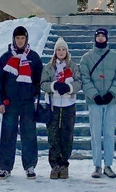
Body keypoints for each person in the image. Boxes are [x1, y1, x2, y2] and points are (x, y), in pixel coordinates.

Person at [0, 25, 44, 179]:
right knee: (8, 134)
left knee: (29, 134)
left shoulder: (33, 57)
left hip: (27, 103)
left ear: (26, 39)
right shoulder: (5, 58)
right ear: (13, 39)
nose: (20, 41)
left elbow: (38, 79)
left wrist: (32, 94)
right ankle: (5, 167)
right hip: (9, 103)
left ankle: (30, 166)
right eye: (17, 38)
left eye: (23, 38)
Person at [79, 27, 116, 179]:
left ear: (106, 38)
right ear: (94, 38)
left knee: (109, 133)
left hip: (111, 101)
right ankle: (97, 165)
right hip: (94, 101)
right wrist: (94, 95)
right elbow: (84, 78)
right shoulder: (86, 57)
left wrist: (112, 93)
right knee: (96, 133)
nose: (100, 38)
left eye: (102, 35)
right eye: (98, 35)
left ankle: (109, 165)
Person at [40, 37, 81, 179]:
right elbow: (42, 84)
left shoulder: (73, 66)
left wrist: (69, 87)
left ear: (67, 51)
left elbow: (79, 82)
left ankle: (64, 164)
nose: (61, 52)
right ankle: (54, 165)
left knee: (67, 135)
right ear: (55, 51)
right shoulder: (49, 67)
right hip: (53, 105)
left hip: (68, 105)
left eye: (63, 49)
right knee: (53, 136)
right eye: (58, 49)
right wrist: (53, 86)